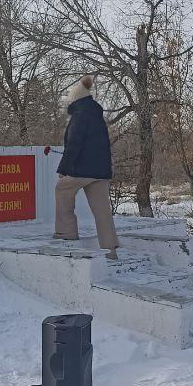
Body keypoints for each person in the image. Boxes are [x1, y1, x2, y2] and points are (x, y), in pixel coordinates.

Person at [53, 75, 119, 257]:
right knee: (102, 210)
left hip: (82, 170)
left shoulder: (80, 116)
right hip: (101, 171)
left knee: (62, 189)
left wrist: (63, 169)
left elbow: (74, 145)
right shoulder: (97, 116)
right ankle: (110, 248)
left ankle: (67, 232)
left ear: (75, 99)